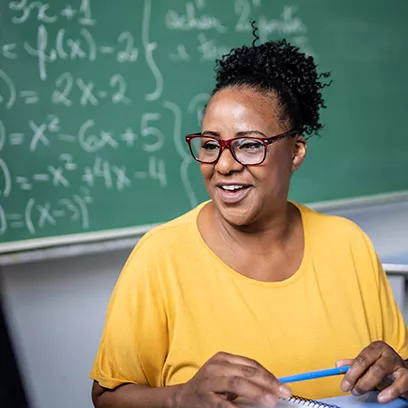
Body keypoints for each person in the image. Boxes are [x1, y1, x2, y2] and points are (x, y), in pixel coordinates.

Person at [90, 38, 408, 408]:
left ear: (296, 153)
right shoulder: (161, 256)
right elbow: (106, 398)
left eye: (249, 145)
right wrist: (180, 397)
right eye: (211, 145)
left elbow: (397, 366)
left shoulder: (347, 243)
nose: (223, 165)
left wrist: (398, 372)